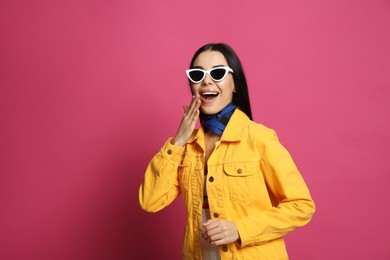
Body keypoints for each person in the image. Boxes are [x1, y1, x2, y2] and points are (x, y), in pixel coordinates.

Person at [139, 43, 315, 260]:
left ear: (235, 85)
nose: (206, 81)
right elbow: (150, 201)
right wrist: (178, 141)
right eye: (197, 74)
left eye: (218, 73)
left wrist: (240, 229)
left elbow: (302, 206)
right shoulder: (186, 147)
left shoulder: (259, 138)